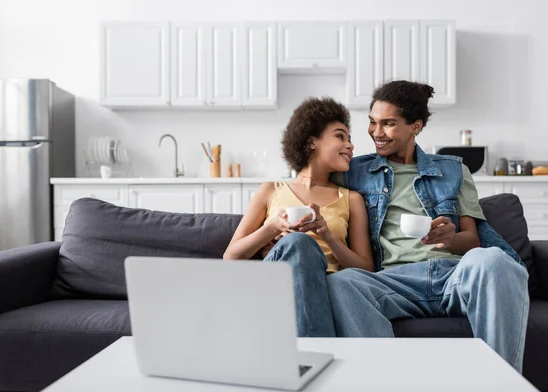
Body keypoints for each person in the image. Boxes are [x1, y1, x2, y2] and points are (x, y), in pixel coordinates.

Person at [327, 80, 530, 373]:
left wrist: (449, 238)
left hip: (454, 278)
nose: (376, 132)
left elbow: (471, 240)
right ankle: (383, 385)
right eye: (372, 122)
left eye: (388, 123)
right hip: (394, 281)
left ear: (416, 126)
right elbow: (310, 182)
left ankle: (501, 385)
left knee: (494, 259)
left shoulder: (452, 170)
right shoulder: (352, 171)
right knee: (341, 283)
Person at [223, 97, 374, 337]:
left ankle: (309, 353)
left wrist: (327, 234)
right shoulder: (272, 190)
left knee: (302, 243)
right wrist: (273, 227)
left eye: (350, 139)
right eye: (340, 136)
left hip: (329, 285)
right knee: (298, 243)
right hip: (280, 285)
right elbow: (230, 257)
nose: (350, 146)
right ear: (312, 142)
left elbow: (366, 268)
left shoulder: (351, 199)